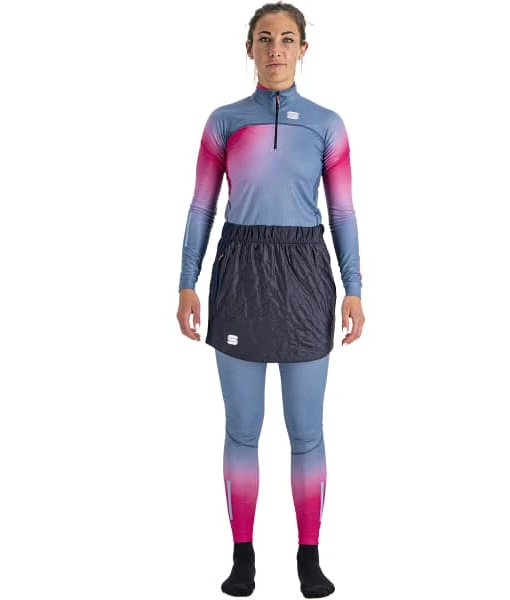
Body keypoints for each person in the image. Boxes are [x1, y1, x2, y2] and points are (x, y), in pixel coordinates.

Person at [177, 2, 365, 597]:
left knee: (306, 431)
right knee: (243, 430)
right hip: (240, 273)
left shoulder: (327, 124)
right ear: (249, 48)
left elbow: (342, 212)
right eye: (265, 38)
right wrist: (186, 280)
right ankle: (243, 556)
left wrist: (355, 289)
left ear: (303, 49)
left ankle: (309, 555)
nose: (275, 50)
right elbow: (202, 206)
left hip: (306, 275)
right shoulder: (224, 122)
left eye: (287, 39)